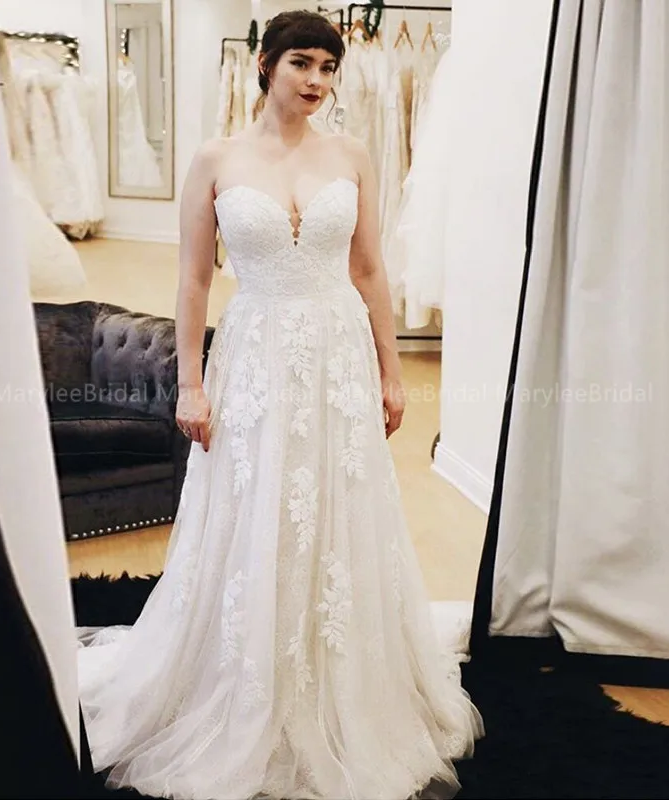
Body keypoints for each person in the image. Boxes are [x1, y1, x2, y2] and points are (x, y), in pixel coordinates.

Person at [77, 11, 483, 799]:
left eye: (328, 68)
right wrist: (190, 383)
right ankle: (245, 677)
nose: (316, 81)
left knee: (336, 505)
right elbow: (193, 279)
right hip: (256, 353)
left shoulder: (352, 154)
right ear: (265, 64)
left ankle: (337, 678)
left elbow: (369, 271)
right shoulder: (216, 158)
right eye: (302, 63)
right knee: (255, 501)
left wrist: (392, 371)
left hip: (336, 355)